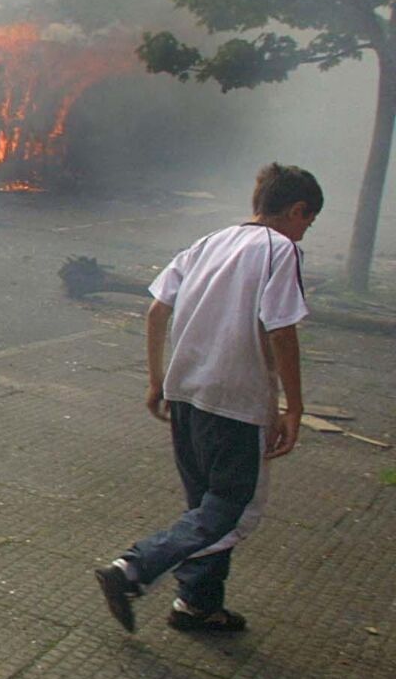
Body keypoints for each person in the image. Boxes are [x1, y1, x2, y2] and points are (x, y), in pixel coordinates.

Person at [96, 163, 322, 634]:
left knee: (203, 506)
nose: (305, 232)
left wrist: (156, 380)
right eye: (308, 221)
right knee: (230, 510)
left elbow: (157, 309)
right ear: (297, 209)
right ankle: (133, 568)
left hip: (186, 393)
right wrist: (294, 407)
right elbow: (281, 330)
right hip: (235, 400)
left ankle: (197, 603)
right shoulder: (280, 250)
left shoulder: (209, 242)